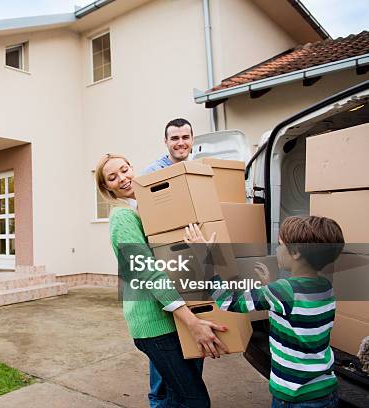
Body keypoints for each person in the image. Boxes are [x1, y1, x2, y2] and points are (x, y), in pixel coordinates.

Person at [96, 153, 228, 408]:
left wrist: (204, 252)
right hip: (156, 325)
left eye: (125, 170)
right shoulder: (122, 218)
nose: (123, 178)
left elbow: (174, 261)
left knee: (175, 398)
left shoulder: (152, 212)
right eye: (113, 177)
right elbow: (149, 273)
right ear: (107, 188)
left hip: (173, 317)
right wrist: (193, 323)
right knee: (194, 401)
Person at [184, 216, 344, 408]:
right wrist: (270, 286)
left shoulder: (283, 291)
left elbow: (228, 301)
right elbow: (297, 313)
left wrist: (204, 260)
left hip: (294, 397)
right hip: (326, 390)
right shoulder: (325, 287)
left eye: (280, 244)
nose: (277, 249)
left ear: (295, 253)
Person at [143, 117, 196, 407]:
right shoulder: (152, 174)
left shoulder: (197, 170)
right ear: (166, 142)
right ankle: (159, 401)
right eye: (174, 138)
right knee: (165, 344)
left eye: (184, 137)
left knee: (192, 337)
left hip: (194, 262)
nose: (180, 143)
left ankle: (187, 396)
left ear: (192, 139)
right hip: (166, 262)